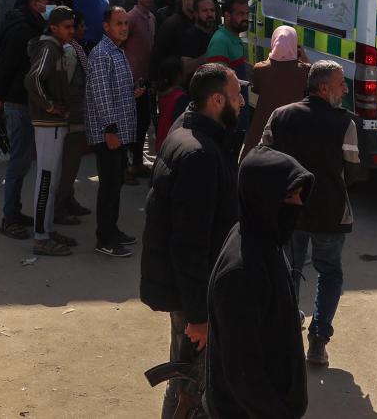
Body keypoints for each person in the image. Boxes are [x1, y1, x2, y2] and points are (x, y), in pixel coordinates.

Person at [140, 63, 245, 418]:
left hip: (189, 289)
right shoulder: (200, 154)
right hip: (195, 295)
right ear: (216, 100)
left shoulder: (189, 130)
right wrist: (199, 316)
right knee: (191, 386)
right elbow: (189, 244)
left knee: (189, 381)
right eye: (236, 96)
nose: (243, 102)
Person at [261, 60, 360, 367]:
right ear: (323, 88)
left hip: (290, 211)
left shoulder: (280, 116)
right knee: (329, 273)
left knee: (288, 271)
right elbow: (354, 172)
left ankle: (287, 331)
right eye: (341, 83)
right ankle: (318, 340)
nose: (345, 89)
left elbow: (264, 157)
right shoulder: (345, 123)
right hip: (329, 213)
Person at [204, 146, 312, 419]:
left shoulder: (264, 240)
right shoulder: (241, 272)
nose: (297, 204)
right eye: (288, 196)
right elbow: (244, 373)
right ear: (262, 198)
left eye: (299, 194)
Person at [0, 0, 55, 240]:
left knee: (22, 162)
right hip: (17, 103)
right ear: (34, 4)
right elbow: (5, 65)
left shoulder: (36, 29)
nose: (48, 8)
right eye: (45, 3)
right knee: (18, 162)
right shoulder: (22, 31)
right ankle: (9, 218)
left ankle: (15, 212)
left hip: (25, 102)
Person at [24, 6, 81, 257]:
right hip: (48, 124)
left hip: (54, 124)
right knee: (46, 179)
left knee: (52, 178)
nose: (72, 31)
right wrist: (49, 106)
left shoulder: (56, 47)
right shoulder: (49, 48)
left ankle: (46, 230)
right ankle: (40, 237)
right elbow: (33, 79)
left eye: (72, 26)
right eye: (67, 27)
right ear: (54, 27)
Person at [86, 6, 141, 257]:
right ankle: (104, 239)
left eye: (126, 23)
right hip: (109, 133)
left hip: (120, 131)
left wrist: (133, 91)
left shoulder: (117, 51)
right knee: (109, 186)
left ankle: (112, 229)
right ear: (106, 26)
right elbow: (101, 95)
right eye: (119, 23)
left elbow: (115, 90)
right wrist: (110, 130)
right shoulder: (101, 54)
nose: (124, 28)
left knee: (116, 183)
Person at [243, 26, 310, 156]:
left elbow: (257, 89)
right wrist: (303, 57)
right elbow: (312, 75)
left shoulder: (260, 69)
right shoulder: (305, 70)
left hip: (264, 127)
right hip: (291, 125)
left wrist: (272, 57)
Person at [54, 12, 91, 224]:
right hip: (72, 115)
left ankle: (68, 201)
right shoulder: (68, 51)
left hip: (78, 112)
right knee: (68, 166)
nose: (84, 29)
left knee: (72, 164)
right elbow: (66, 87)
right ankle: (59, 209)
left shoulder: (76, 48)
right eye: (80, 26)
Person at [124, 0, 156, 180]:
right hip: (132, 80)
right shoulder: (131, 18)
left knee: (143, 122)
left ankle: (136, 163)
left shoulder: (151, 17)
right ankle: (127, 166)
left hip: (146, 80)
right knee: (131, 124)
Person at [153, 0, 204, 77]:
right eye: (195, 0)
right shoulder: (172, 24)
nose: (199, 4)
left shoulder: (198, 23)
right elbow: (159, 58)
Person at [154, 56, 188, 147]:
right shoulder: (180, 97)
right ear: (178, 75)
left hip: (162, 141)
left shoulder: (162, 94)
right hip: (173, 144)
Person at [180, 0, 219, 76]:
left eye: (212, 10)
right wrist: (209, 56)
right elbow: (185, 68)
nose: (210, 14)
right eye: (205, 11)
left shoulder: (216, 34)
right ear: (195, 14)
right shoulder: (189, 36)